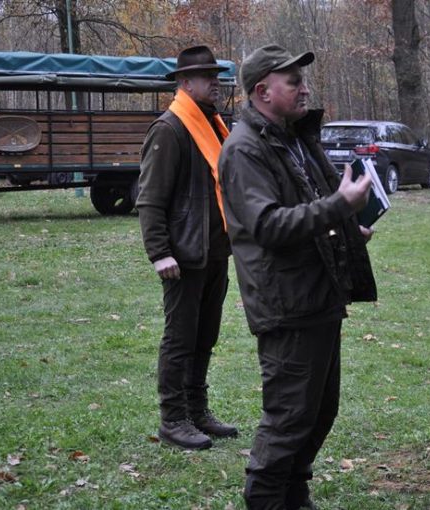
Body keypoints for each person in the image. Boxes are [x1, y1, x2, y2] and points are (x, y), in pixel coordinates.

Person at [218, 44, 377, 510]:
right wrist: (339, 206)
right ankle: (265, 498)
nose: (304, 87)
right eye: (293, 81)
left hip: (318, 294)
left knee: (318, 412)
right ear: (263, 91)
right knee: (289, 418)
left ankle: (293, 496)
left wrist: (348, 227)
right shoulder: (245, 149)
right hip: (286, 303)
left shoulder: (291, 136)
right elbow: (267, 225)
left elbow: (306, 206)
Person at [136, 45, 238, 450]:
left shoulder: (213, 124)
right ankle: (173, 419)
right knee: (180, 339)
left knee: (205, 335)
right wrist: (160, 252)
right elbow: (150, 198)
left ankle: (197, 410)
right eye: (206, 76)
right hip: (182, 256)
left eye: (216, 75)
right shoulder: (171, 128)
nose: (215, 82)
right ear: (184, 83)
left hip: (214, 252)